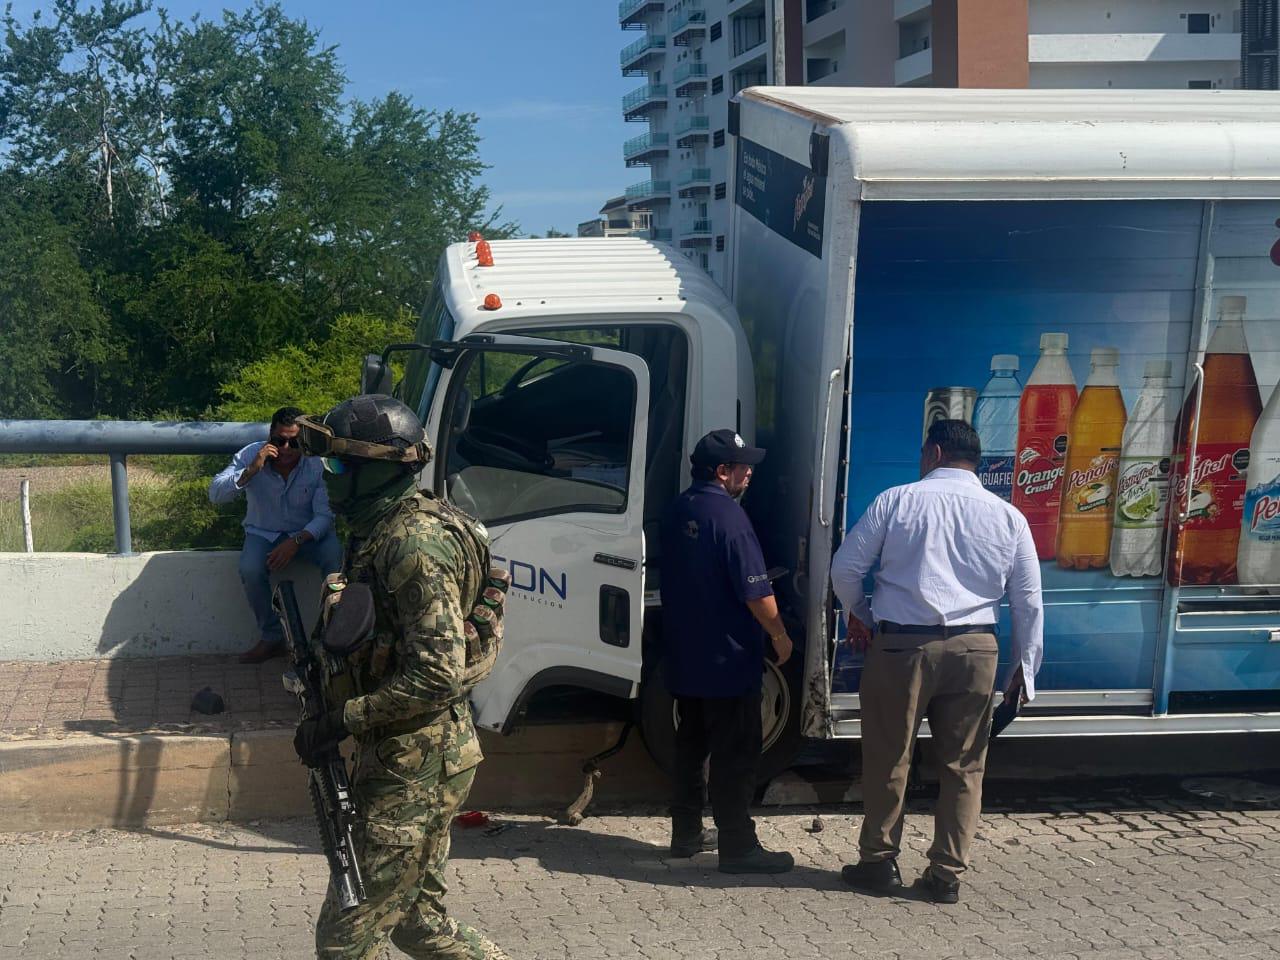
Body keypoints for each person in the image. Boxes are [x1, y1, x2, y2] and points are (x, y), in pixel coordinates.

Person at [289, 394, 510, 960]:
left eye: (337, 465)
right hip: (412, 753)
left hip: (417, 764)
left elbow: (437, 675)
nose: (327, 477)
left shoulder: (412, 544)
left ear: (378, 469)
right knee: (418, 927)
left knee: (346, 938)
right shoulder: (382, 527)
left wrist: (343, 718)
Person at [830, 419, 1044, 904]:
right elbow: (1028, 601)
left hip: (902, 648)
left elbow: (845, 568)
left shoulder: (897, 500)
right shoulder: (1008, 516)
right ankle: (946, 874)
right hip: (975, 650)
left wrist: (862, 614)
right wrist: (1024, 670)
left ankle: (878, 864)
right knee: (965, 765)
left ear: (935, 452)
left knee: (889, 755)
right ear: (976, 460)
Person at [658, 428, 796, 874]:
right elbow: (756, 594)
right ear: (722, 472)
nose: (750, 473)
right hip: (728, 658)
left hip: (685, 654)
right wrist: (779, 634)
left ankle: (686, 832)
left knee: (691, 744)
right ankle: (738, 845)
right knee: (736, 753)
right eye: (743, 467)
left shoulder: (679, 509)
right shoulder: (731, 519)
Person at [209, 406, 343, 663]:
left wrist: (295, 541)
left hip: (307, 534)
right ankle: (272, 638)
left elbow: (325, 516)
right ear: (270, 437)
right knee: (250, 569)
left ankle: (334, 635)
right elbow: (216, 494)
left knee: (335, 557)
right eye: (279, 440)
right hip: (263, 533)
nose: (285, 448)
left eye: (294, 442)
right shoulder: (251, 454)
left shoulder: (316, 463)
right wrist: (251, 470)